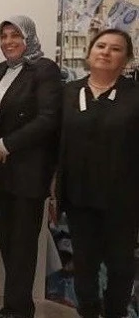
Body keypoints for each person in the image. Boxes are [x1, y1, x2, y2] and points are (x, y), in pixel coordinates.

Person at [0, 15, 61, 318]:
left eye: (15, 35)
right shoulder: (1, 70)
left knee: (22, 245)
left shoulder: (44, 69)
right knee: (9, 242)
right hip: (2, 172)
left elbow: (49, 118)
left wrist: (7, 144)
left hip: (29, 172)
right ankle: (15, 305)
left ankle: (20, 309)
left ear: (29, 37)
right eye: (4, 35)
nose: (8, 41)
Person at [52, 29, 139, 318]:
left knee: (121, 267)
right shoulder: (69, 92)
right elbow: (56, 141)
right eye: (100, 46)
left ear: (126, 58)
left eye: (115, 48)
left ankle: (116, 313)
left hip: (123, 201)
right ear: (89, 53)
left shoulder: (134, 95)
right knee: (84, 267)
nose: (106, 52)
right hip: (79, 198)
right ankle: (88, 312)